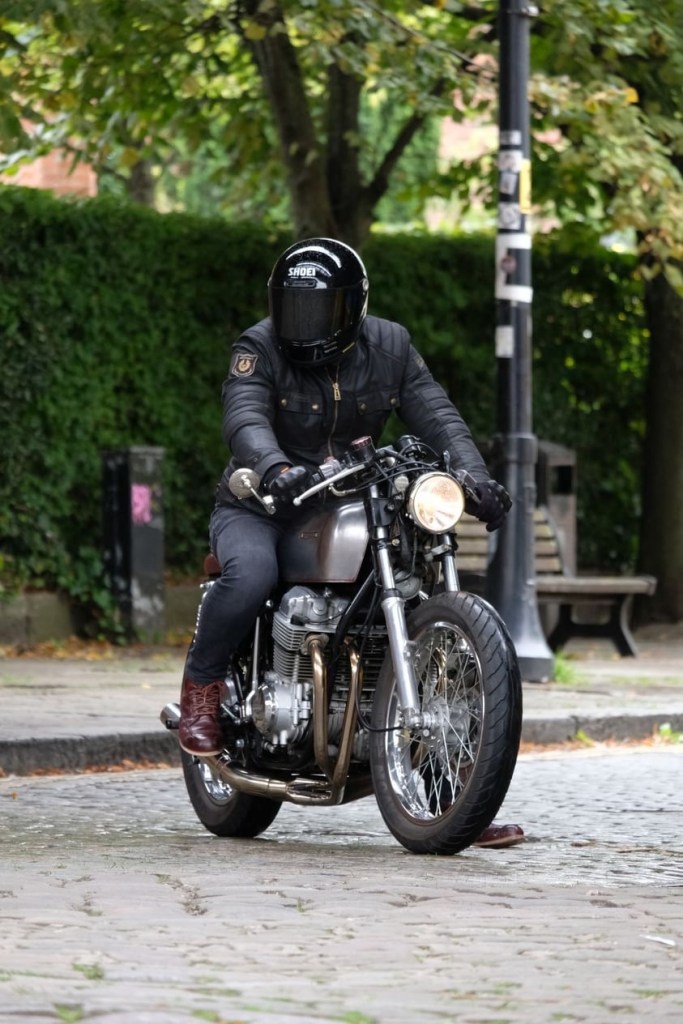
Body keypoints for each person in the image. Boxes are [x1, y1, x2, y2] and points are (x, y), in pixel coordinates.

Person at [179, 237, 524, 849]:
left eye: (318, 309)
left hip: (357, 498)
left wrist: (472, 477)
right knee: (252, 574)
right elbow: (245, 417)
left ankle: (455, 800)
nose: (303, 322)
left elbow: (438, 416)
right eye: (293, 308)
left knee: (417, 587)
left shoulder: (390, 346)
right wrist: (275, 467)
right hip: (264, 503)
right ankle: (202, 692)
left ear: (351, 308)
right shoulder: (258, 347)